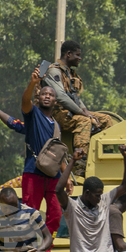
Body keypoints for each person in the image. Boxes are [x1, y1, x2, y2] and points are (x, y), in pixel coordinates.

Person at [56, 145, 126, 252]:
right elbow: (58, 190)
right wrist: (73, 161)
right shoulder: (72, 207)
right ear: (87, 193)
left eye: (100, 194)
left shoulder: (103, 201)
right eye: (97, 195)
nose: (99, 198)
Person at [44, 40, 117, 175]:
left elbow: (75, 98)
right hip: (55, 114)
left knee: (106, 119)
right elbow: (60, 97)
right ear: (68, 54)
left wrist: (87, 112)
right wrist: (83, 114)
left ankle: (107, 156)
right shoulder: (54, 71)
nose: (80, 58)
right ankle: (80, 164)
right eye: (77, 55)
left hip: (69, 112)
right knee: (84, 121)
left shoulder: (69, 73)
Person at [19, 67, 66, 237]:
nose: (47, 96)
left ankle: (46, 247)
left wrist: (66, 176)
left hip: (53, 175)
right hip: (34, 172)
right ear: (38, 98)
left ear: (55, 101)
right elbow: (25, 101)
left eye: (51, 95)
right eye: (44, 94)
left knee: (56, 214)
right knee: (30, 214)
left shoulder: (56, 125)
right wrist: (33, 83)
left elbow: (58, 154)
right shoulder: (33, 115)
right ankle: (29, 246)